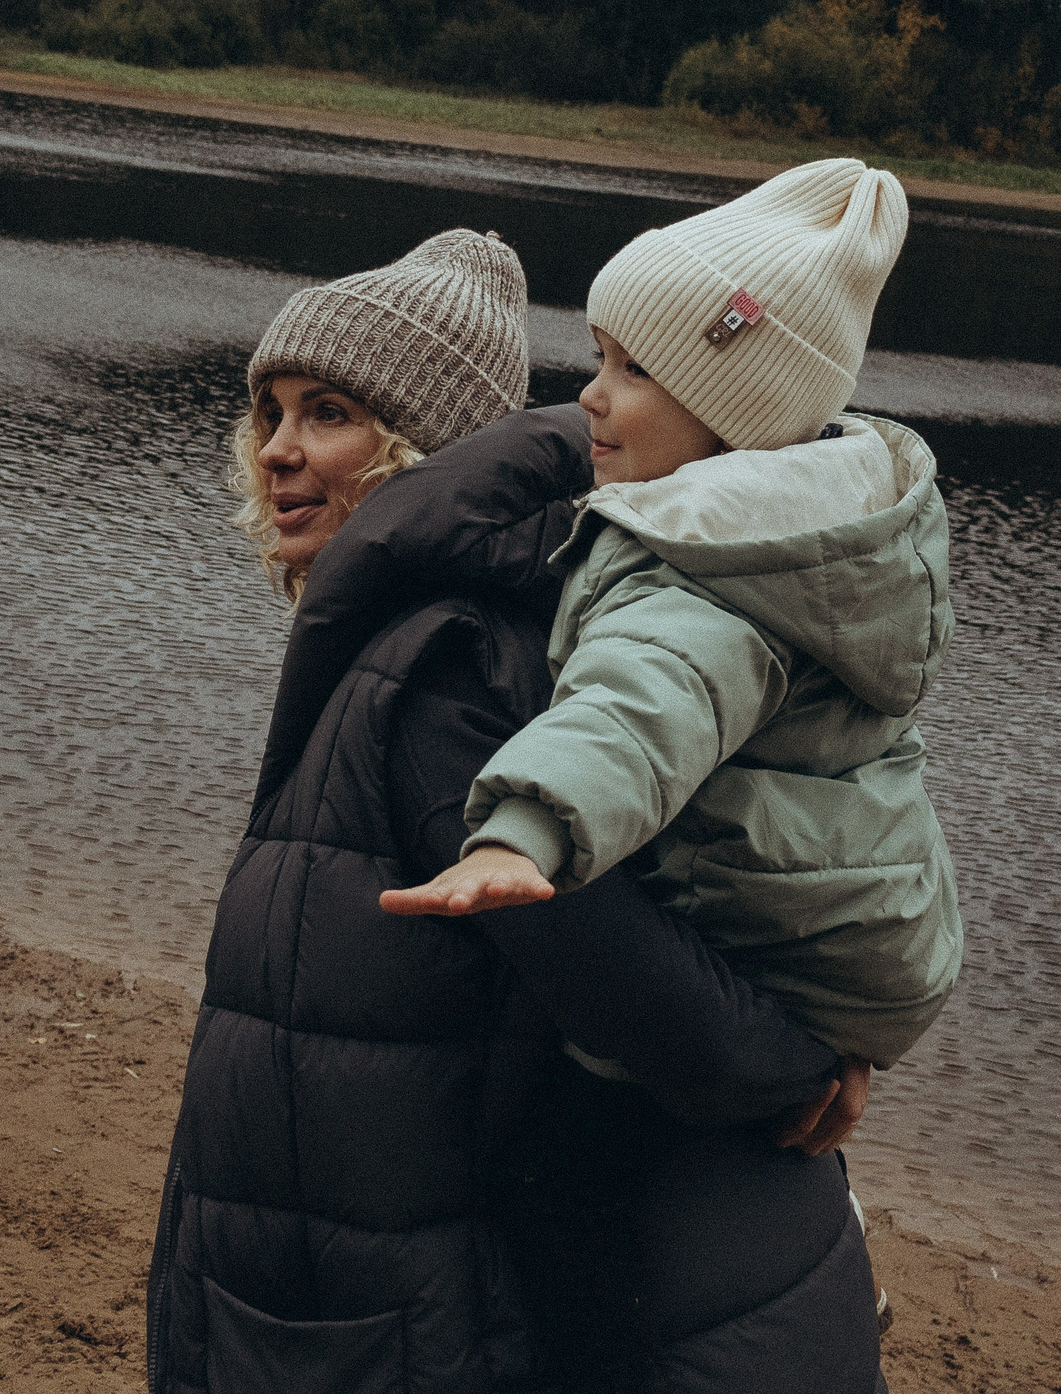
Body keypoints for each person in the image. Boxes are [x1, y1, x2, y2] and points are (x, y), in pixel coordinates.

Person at [148, 230, 884, 1394]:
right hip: (379, 1257)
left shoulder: (442, 670)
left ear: (421, 452)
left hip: (413, 1292)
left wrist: (795, 1069)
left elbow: (601, 950)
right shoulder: (446, 638)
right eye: (271, 412)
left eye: (328, 412)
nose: (280, 453)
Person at [384, 158, 965, 1081]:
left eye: (636, 367)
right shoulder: (814, 520)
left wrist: (518, 833)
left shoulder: (711, 577)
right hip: (877, 922)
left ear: (738, 412)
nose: (592, 393)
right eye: (601, 356)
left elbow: (641, 707)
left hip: (797, 944)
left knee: (590, 1081)